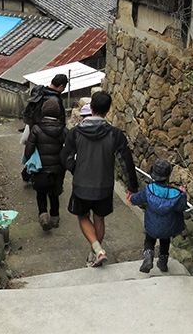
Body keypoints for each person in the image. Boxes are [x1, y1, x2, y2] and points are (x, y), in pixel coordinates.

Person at [61, 91, 138, 267]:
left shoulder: (75, 133)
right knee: (99, 218)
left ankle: (97, 249)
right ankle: (94, 252)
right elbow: (126, 162)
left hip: (81, 185)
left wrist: (75, 169)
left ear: (92, 108)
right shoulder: (115, 134)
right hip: (104, 185)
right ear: (108, 110)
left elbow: (64, 157)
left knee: (82, 216)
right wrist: (132, 187)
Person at [128, 158, 187, 274]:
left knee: (149, 240)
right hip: (168, 228)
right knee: (165, 242)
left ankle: (148, 256)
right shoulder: (175, 194)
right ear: (169, 175)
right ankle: (163, 262)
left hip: (151, 226)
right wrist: (183, 193)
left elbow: (136, 199)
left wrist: (131, 198)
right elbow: (182, 207)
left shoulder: (149, 189)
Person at [24, 97, 67, 231]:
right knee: (54, 194)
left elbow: (28, 151)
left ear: (43, 111)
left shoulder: (36, 129)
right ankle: (55, 217)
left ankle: (43, 215)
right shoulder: (64, 130)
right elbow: (69, 149)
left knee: (41, 193)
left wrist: (29, 159)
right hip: (58, 169)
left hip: (41, 168)